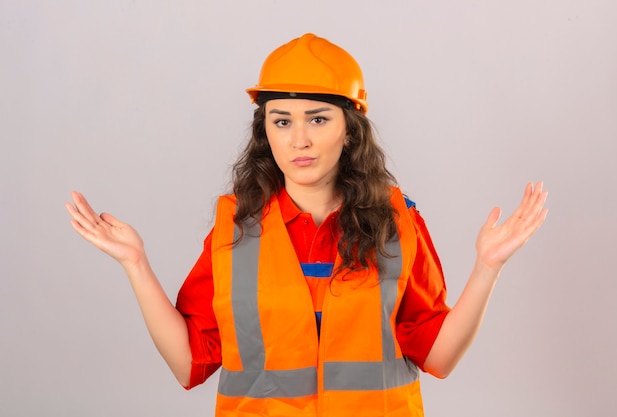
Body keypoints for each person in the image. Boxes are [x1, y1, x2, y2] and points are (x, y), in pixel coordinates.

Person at [65, 33, 548, 416]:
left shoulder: (396, 224)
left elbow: (438, 357)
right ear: (265, 131)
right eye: (281, 121)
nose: (299, 140)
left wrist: (487, 267)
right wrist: (136, 263)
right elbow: (189, 362)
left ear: (349, 129)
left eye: (317, 120)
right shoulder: (235, 230)